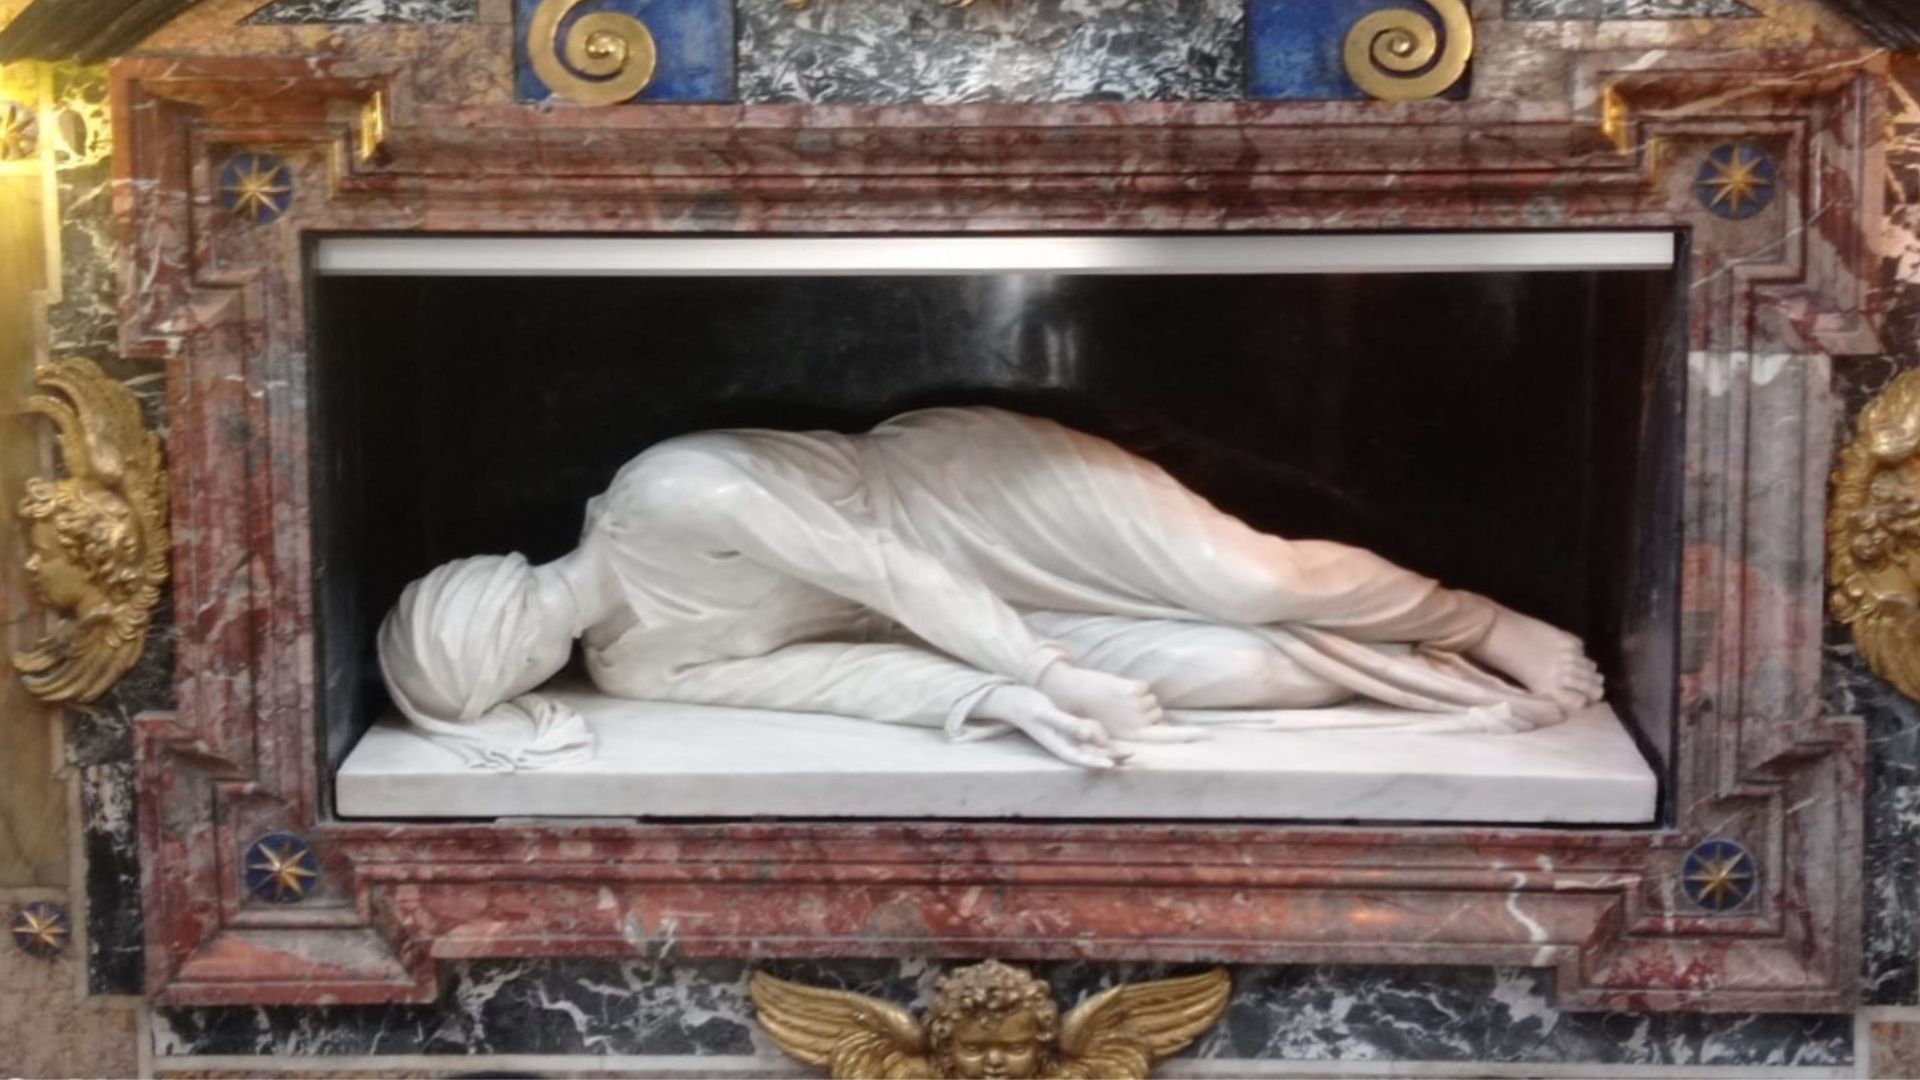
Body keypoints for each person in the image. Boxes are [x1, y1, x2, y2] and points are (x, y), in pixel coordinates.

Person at [378, 407, 1603, 771]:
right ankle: (1411, 668)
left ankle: (1483, 620)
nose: (525, 666)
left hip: (957, 499)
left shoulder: (665, 493)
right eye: (501, 683)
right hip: (950, 631)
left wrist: (1048, 671)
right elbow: (853, 677)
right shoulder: (639, 667)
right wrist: (1013, 703)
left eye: (490, 654)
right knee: (1249, 672)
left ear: (488, 600)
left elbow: (881, 565)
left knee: (1245, 580)